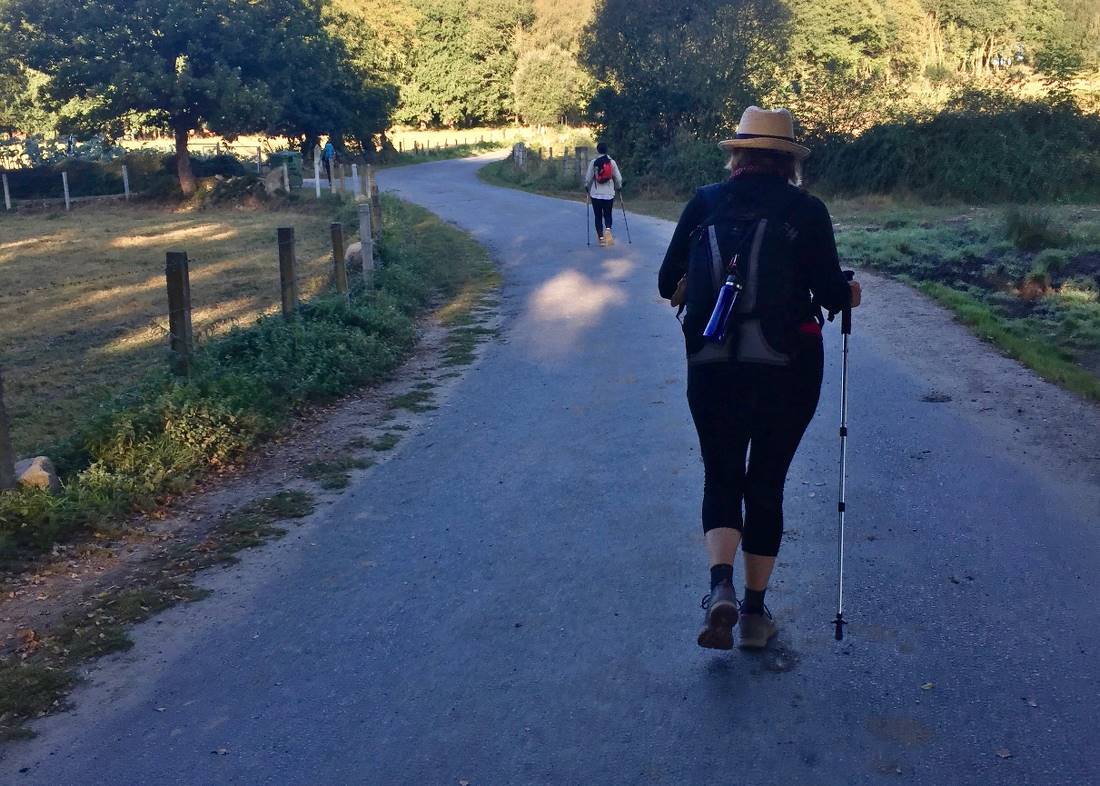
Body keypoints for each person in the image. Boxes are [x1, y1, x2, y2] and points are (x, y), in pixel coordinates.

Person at [657, 106, 863, 651]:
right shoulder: (807, 210)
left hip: (710, 362)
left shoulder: (704, 202)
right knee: (766, 482)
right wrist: (847, 293)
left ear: (737, 154)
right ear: (788, 161)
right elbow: (830, 293)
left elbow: (664, 282)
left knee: (721, 475)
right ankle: (752, 615)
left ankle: (718, 585)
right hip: (787, 369)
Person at [585, 142, 623, 247]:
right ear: (607, 150)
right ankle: (608, 230)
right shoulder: (612, 162)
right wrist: (619, 187)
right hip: (609, 194)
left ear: (598, 150)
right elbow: (618, 178)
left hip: (595, 194)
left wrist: (586, 186)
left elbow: (588, 177)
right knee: (608, 214)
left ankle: (601, 239)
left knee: (598, 216)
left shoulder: (594, 162)